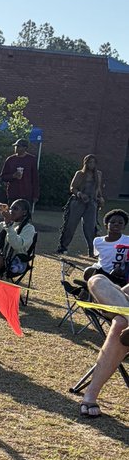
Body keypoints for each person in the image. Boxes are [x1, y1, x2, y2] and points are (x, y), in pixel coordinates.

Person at [76, 271, 129, 418]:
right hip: (126, 308)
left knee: (119, 324)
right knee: (96, 279)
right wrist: (116, 293)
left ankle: (90, 395)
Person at [58, 154, 105, 256]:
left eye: (93, 162)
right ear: (85, 163)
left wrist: (100, 197)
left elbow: (98, 188)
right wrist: (80, 194)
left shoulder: (98, 174)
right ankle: (63, 247)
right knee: (71, 225)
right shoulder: (80, 174)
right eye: (89, 162)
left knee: (91, 227)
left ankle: (92, 251)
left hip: (92, 203)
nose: (91, 164)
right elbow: (72, 188)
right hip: (78, 202)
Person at [88, 209, 129, 285]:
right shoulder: (97, 241)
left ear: (124, 226)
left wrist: (123, 271)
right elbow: (98, 256)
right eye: (112, 222)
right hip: (101, 271)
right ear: (106, 225)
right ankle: (87, 289)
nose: (116, 224)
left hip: (117, 274)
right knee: (88, 271)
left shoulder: (127, 240)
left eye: (120, 223)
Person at [0, 139, 40, 205]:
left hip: (27, 194)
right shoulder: (10, 159)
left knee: (25, 214)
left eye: (18, 146)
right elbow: (3, 177)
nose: (16, 148)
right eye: (16, 146)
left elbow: (35, 178)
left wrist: (35, 195)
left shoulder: (31, 160)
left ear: (25, 148)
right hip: (13, 194)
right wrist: (13, 176)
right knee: (12, 213)